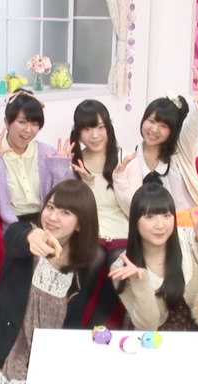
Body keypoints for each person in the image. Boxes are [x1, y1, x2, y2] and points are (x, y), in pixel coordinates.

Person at [0, 179, 99, 384]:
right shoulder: (26, 238)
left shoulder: (81, 263)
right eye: (51, 207)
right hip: (15, 346)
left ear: (80, 224)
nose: (53, 217)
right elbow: (14, 236)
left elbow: (74, 316)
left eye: (66, 212)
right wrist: (32, 236)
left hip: (52, 348)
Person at [109, 183, 198, 331]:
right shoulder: (123, 268)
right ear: (135, 221)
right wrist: (141, 282)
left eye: (166, 215)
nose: (160, 225)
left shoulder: (191, 240)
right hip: (158, 341)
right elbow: (148, 326)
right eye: (149, 217)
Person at [113, 62, 198, 215]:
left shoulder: (182, 151)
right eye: (151, 121)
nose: (154, 129)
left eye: (163, 126)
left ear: (173, 130)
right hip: (155, 225)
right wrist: (119, 177)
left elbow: (194, 125)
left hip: (192, 220)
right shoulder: (130, 160)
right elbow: (130, 205)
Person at [0, 89, 74, 229]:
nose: (28, 130)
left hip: (48, 223)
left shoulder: (48, 153)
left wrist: (60, 171)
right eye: (22, 122)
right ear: (7, 122)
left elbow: (67, 201)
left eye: (34, 124)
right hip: (14, 226)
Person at [69, 99, 129, 327]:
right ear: (78, 132)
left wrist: (119, 179)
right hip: (90, 225)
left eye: (100, 127)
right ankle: (73, 323)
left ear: (108, 127)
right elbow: (77, 206)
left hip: (122, 226)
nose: (95, 135)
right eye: (87, 129)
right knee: (93, 258)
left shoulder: (125, 158)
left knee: (118, 263)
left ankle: (101, 327)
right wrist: (88, 184)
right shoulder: (75, 161)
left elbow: (133, 208)